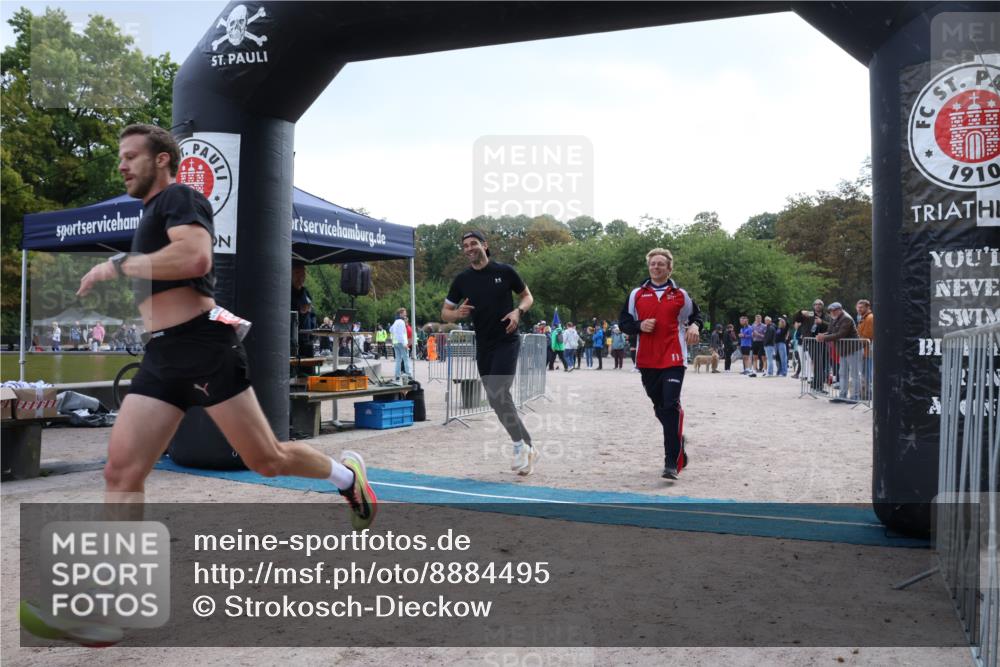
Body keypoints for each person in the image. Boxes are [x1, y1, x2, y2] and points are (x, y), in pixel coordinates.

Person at [71, 125, 376, 533]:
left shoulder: (179, 197)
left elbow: (196, 258)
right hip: (161, 355)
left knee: (266, 460)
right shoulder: (149, 214)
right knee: (120, 473)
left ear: (161, 159)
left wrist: (118, 265)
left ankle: (347, 478)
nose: (122, 165)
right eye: (121, 157)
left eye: (131, 156)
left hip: (203, 347)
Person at [441, 230, 537, 475]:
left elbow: (527, 297)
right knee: (498, 400)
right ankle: (527, 446)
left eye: (474, 243)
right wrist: (456, 315)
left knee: (497, 392)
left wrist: (518, 312)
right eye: (465, 246)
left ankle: (519, 445)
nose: (469, 248)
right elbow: (445, 313)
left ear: (485, 245)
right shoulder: (462, 280)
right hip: (483, 346)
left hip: (507, 340)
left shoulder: (505, 272)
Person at [620, 248, 702, 480]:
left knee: (670, 404)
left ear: (669, 268)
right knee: (660, 407)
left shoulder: (680, 294)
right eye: (653, 264)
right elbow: (624, 322)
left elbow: (696, 316)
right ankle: (678, 440)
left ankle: (671, 463)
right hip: (647, 360)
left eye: (661, 264)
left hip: (674, 357)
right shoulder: (636, 294)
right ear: (649, 267)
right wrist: (639, 326)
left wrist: (695, 326)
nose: (656, 267)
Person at [817, 301, 859, 401]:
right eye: (831, 311)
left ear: (840, 310)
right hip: (843, 350)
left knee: (854, 375)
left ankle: (855, 396)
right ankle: (842, 395)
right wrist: (822, 335)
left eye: (834, 311)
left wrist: (824, 338)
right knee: (842, 374)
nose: (832, 313)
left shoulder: (846, 318)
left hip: (853, 349)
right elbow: (831, 332)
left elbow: (841, 334)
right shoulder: (833, 318)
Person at [291, 263, 316, 357]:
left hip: (308, 340)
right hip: (294, 341)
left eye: (303, 274)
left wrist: (313, 331)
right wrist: (302, 312)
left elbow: (313, 314)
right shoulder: (287, 292)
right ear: (291, 274)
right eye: (297, 273)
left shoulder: (306, 292)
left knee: (309, 370)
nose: (301, 277)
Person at [856, 299, 874, 400]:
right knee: (864, 373)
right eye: (858, 307)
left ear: (868, 307)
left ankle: (868, 394)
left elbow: (868, 335)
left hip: (868, 350)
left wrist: (856, 343)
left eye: (861, 307)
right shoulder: (863, 318)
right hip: (864, 350)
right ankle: (865, 394)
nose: (859, 309)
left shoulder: (870, 318)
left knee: (868, 373)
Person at [390, 307, 412, 381]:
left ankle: (397, 375)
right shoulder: (402, 322)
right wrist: (404, 343)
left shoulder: (395, 322)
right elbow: (401, 334)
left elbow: (391, 329)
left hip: (395, 342)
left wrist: (394, 338)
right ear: (401, 314)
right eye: (404, 313)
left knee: (398, 359)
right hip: (401, 342)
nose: (405, 314)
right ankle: (408, 374)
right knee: (406, 359)